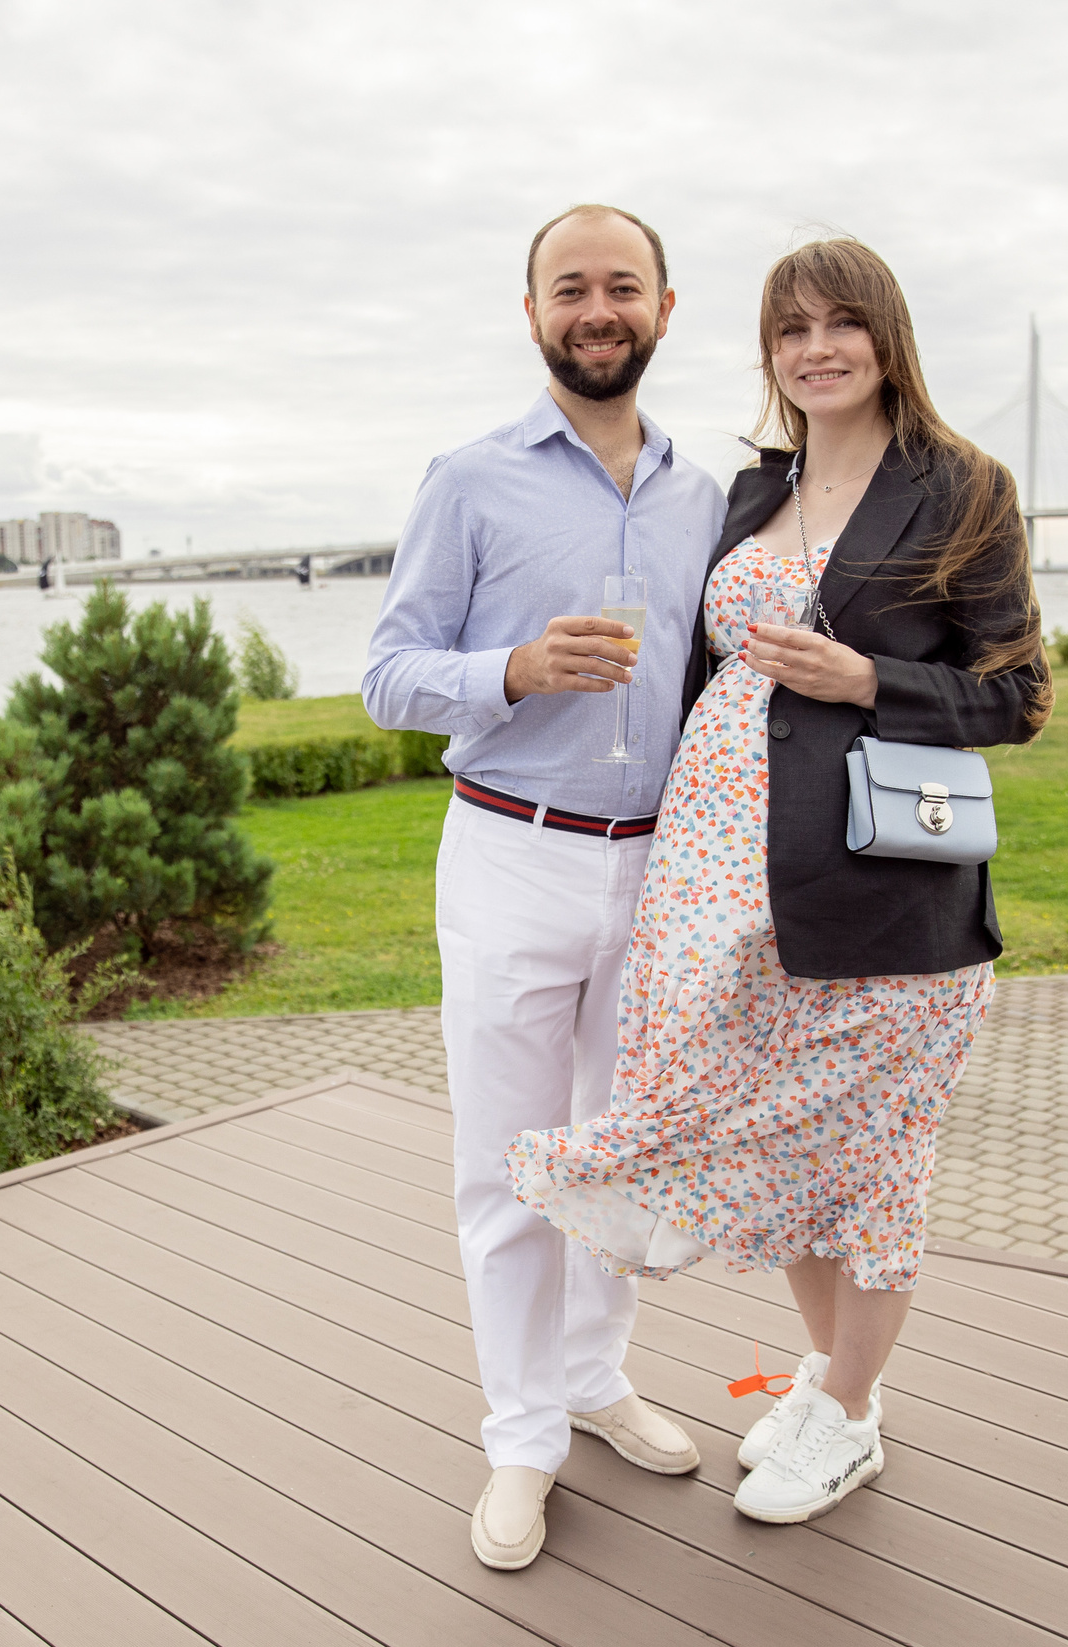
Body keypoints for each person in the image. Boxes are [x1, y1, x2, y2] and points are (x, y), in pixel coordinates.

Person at [508, 235, 1051, 1526]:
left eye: (839, 323)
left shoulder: (963, 488)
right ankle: (826, 1382)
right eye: (790, 328)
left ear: (886, 335)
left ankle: (848, 1417)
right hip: (719, 873)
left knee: (871, 1154)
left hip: (878, 879)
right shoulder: (757, 490)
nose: (816, 348)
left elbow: (1019, 697)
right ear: (768, 353)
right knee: (793, 1145)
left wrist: (871, 681)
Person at [363, 204, 728, 1572]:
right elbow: (390, 674)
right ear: (533, 315)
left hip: (661, 869)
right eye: (569, 288)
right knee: (512, 1170)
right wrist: (508, 671)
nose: (596, 308)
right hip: (512, 848)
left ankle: (591, 1378)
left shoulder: (711, 495)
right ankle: (521, 1437)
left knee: (619, 1156)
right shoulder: (467, 481)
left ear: (664, 309)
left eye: (620, 286)